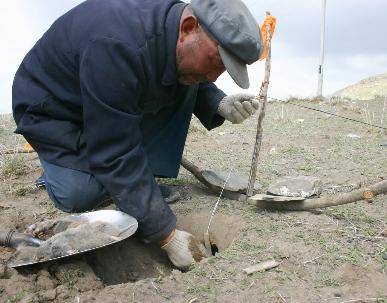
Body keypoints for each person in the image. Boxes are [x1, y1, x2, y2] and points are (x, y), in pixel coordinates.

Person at [12, 0, 262, 270]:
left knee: (187, 75)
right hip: (55, 109)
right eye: (217, 62)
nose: (215, 75)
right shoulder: (116, 45)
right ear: (189, 28)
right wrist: (167, 235)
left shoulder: (174, 28)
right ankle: (59, 169)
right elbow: (115, 152)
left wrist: (216, 102)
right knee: (77, 194)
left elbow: (171, 62)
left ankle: (136, 185)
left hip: (106, 97)